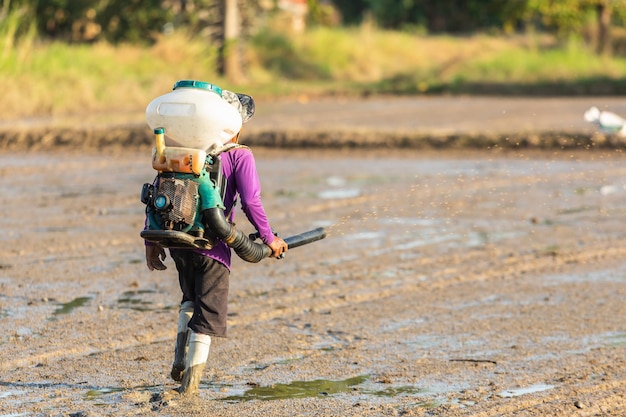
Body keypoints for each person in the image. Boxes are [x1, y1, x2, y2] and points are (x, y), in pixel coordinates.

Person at [145, 89, 288, 395]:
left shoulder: (183, 152)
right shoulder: (239, 155)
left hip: (177, 240)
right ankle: (190, 385)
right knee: (208, 312)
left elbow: (156, 194)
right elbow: (251, 202)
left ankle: (177, 361)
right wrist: (269, 239)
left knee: (189, 298)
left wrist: (151, 243)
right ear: (236, 124)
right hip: (214, 247)